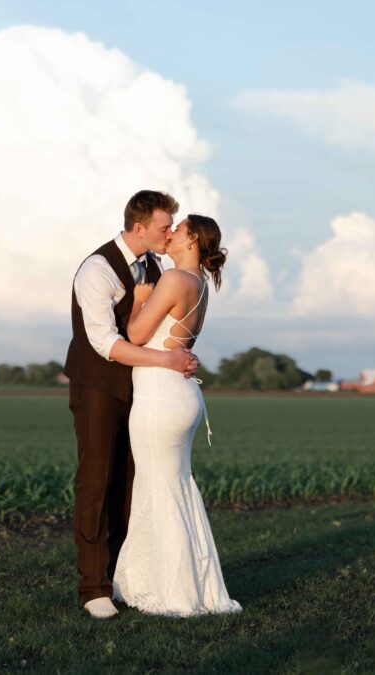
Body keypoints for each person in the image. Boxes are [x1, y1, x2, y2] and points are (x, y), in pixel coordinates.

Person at [64, 190, 199, 620]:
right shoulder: (97, 269)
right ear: (139, 228)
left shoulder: (159, 267)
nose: (170, 233)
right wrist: (167, 359)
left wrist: (177, 357)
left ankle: (122, 576)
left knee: (129, 483)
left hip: (144, 392)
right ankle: (93, 587)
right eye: (164, 227)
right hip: (98, 388)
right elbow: (105, 342)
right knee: (97, 481)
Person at [111, 214, 244, 617]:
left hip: (160, 396)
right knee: (174, 488)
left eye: (178, 229)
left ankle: (176, 592)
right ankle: (172, 583)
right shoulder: (199, 285)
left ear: (192, 241)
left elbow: (135, 336)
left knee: (160, 490)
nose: (169, 234)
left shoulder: (173, 281)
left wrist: (137, 301)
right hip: (179, 396)